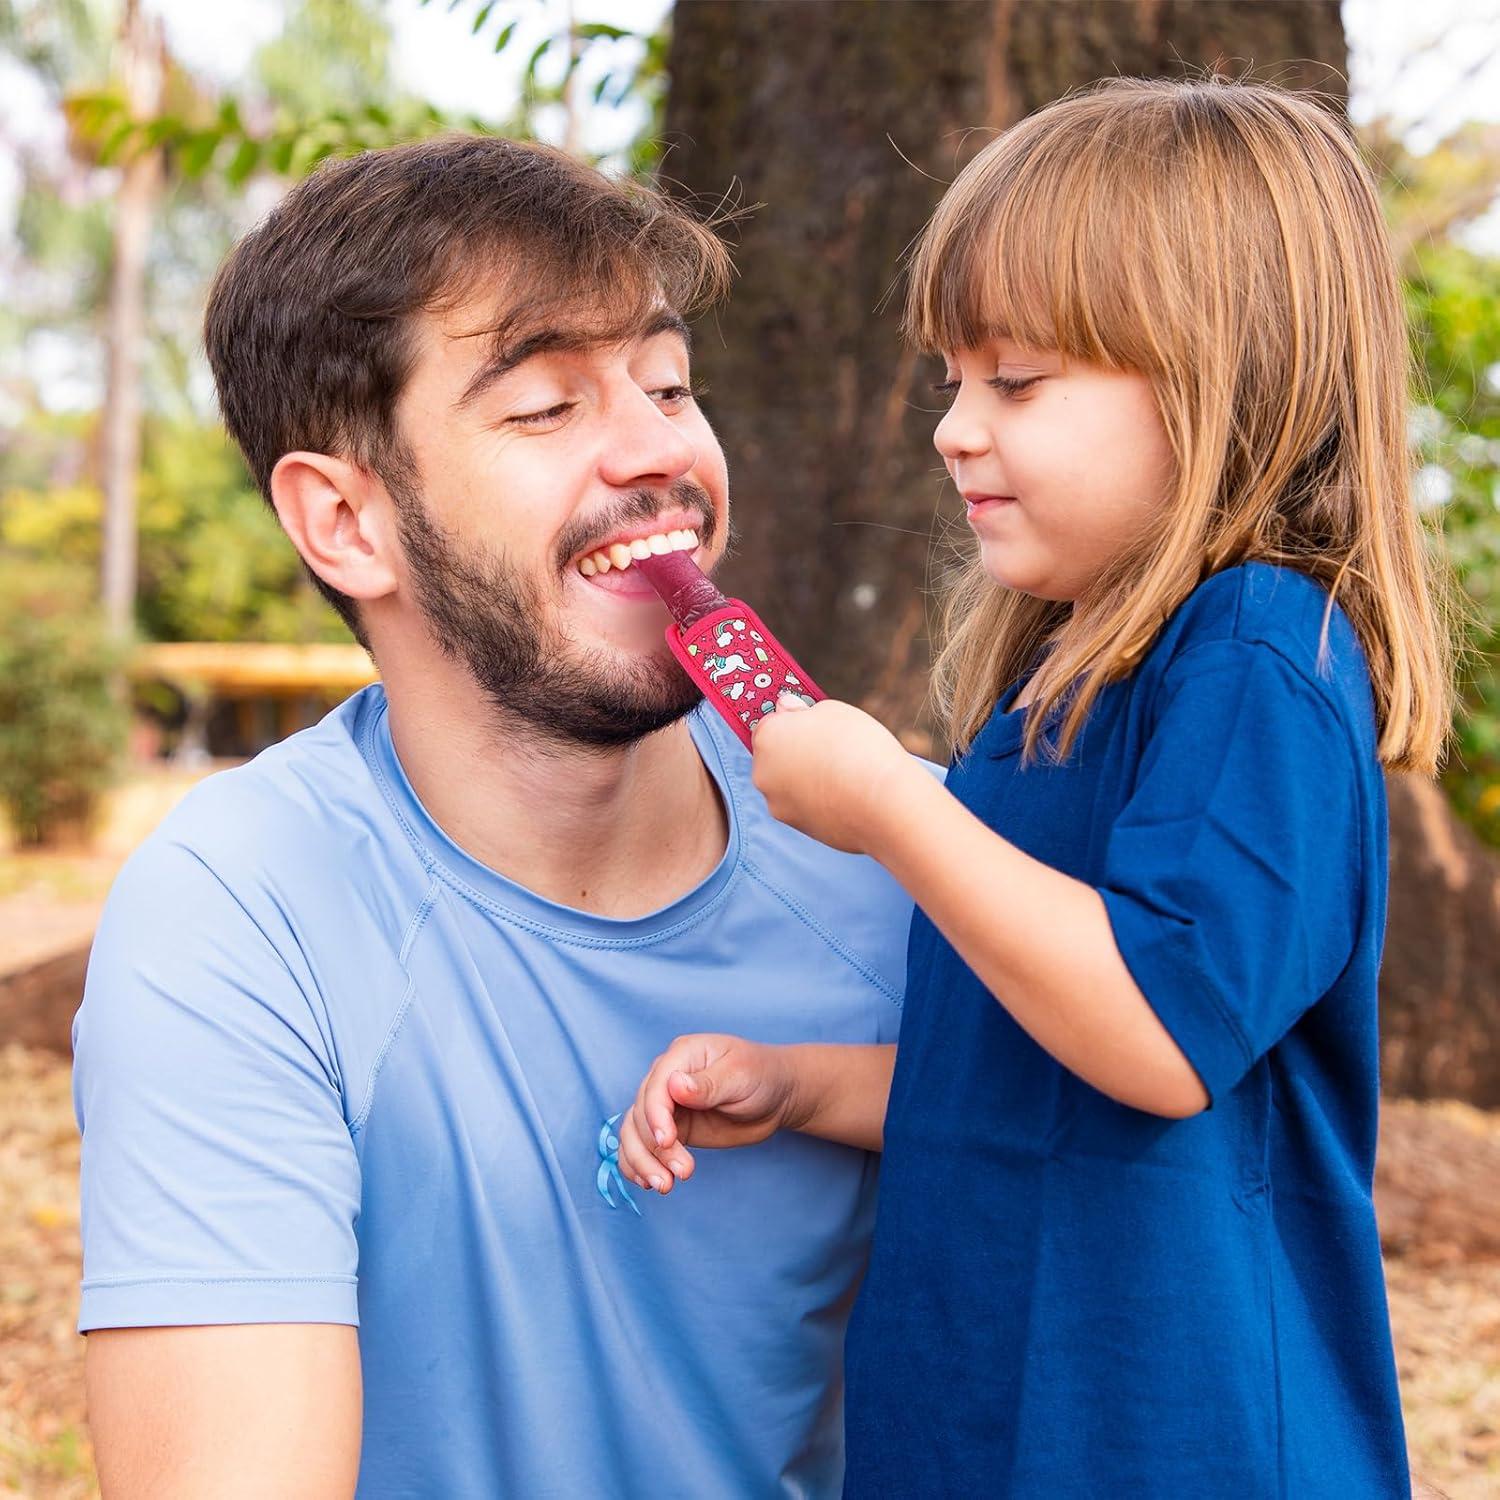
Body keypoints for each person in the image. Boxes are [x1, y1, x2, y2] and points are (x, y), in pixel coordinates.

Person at [618, 78, 1453, 1496]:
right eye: (953, 378)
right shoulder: (1056, 687)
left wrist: (895, 806)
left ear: (1217, 379)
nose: (952, 427)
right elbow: (1037, 1061)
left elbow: (1158, 1037)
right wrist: (803, 1087)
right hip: (986, 1423)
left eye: (1016, 381)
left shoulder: (1260, 652)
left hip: (1172, 1445)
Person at [71, 135, 913, 1499]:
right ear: (346, 520)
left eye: (667, 382)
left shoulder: (905, 867)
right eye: (544, 408)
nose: (658, 452)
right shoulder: (240, 918)